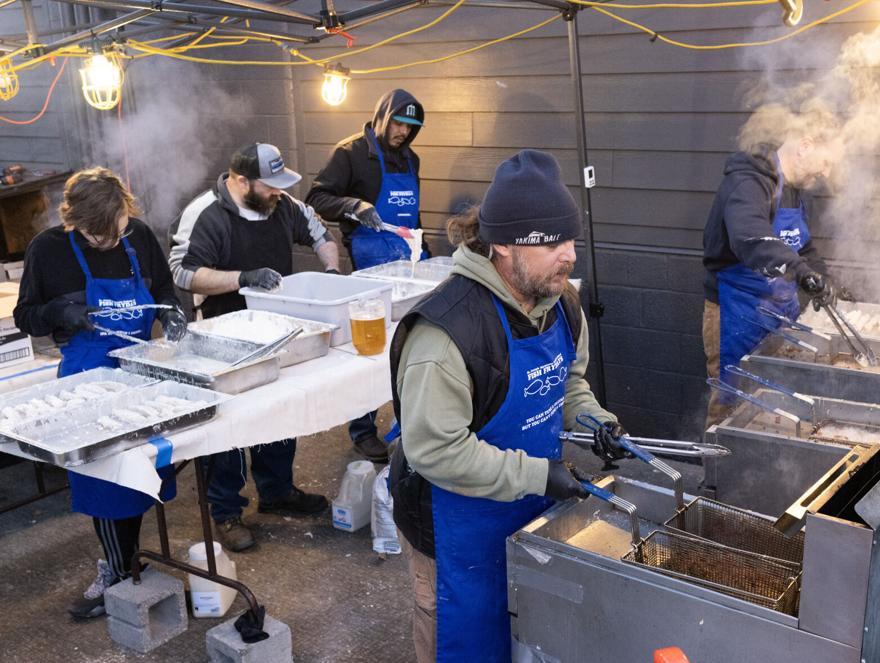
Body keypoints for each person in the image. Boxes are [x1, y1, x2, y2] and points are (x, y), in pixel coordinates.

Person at [388, 150, 629, 662]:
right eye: (550, 243)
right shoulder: (447, 335)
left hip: (528, 507)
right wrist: (539, 476)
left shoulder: (562, 303)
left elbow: (569, 383)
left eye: (570, 240)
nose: (568, 255)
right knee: (465, 641)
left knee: (523, 635)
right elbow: (436, 452)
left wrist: (598, 424)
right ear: (501, 244)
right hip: (453, 525)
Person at [13, 167, 187, 618]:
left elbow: (165, 290)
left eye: (117, 231)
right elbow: (26, 317)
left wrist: (172, 317)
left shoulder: (140, 236)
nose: (110, 240)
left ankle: (130, 559)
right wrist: (62, 312)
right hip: (86, 383)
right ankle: (116, 566)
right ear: (72, 220)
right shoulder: (47, 251)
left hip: (143, 373)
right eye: (98, 235)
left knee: (146, 471)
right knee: (105, 481)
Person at [168, 143, 339, 552]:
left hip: (276, 329)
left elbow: (320, 233)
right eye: (271, 186)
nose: (279, 193)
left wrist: (331, 271)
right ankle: (226, 511)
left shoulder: (282, 205)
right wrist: (241, 277)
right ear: (240, 180)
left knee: (278, 414)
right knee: (227, 428)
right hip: (220, 337)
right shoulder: (205, 214)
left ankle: (277, 491)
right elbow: (183, 271)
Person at [701, 102, 844, 425]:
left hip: (778, 313)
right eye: (825, 162)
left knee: (774, 405)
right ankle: (718, 474)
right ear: (805, 146)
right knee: (732, 406)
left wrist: (823, 276)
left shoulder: (793, 190)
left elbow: (799, 246)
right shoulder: (750, 180)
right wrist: (799, 272)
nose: (826, 172)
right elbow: (750, 239)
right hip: (735, 313)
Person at [305, 89, 426, 464]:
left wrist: (425, 253)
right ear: (383, 115)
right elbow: (316, 198)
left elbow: (412, 217)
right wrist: (354, 206)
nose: (403, 133)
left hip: (406, 263)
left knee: (410, 344)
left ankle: (410, 423)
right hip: (369, 262)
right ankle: (362, 428)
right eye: (398, 124)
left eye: (411, 127)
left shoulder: (410, 159)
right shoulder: (351, 153)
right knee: (372, 349)